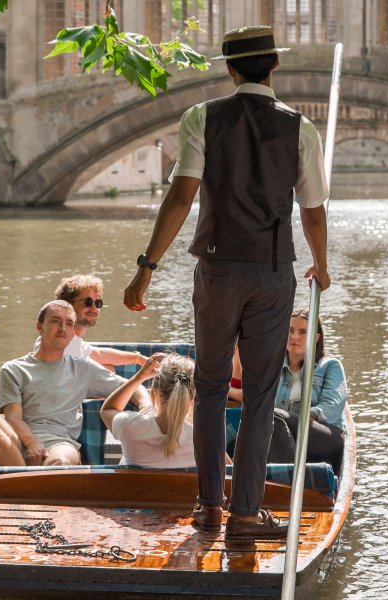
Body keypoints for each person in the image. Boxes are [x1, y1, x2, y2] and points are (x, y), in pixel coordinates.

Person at [123, 25, 330, 540]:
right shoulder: (301, 128)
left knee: (212, 390)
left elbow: (180, 198)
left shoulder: (202, 118)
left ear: (231, 70)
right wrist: (321, 267)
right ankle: (245, 514)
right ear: (273, 67)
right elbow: (314, 214)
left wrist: (146, 268)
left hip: (216, 269)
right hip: (272, 271)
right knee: (260, 395)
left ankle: (209, 508)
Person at [0, 300, 148, 467]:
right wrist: (31, 443)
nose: (63, 328)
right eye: (55, 321)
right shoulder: (13, 369)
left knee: (61, 461)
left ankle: (22, 483)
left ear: (72, 333)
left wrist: (147, 408)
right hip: (15, 440)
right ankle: (24, 480)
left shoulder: (82, 368)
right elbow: (13, 417)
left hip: (58, 444)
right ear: (40, 327)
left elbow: (133, 387)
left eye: (69, 323)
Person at [267, 309, 348, 472]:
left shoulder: (330, 366)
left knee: (273, 415)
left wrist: (305, 417)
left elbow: (332, 407)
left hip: (324, 437)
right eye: (290, 331)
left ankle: (286, 476)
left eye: (303, 332)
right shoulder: (272, 367)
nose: (294, 337)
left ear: (316, 338)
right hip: (282, 439)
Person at [100, 353, 198, 468]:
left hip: (135, 486)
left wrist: (139, 377)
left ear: (154, 391)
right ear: (192, 400)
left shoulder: (130, 425)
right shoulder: (204, 437)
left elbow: (108, 409)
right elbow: (224, 469)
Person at [35, 275, 149, 370]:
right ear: (68, 305)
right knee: (108, 370)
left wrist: (137, 358)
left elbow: (98, 353)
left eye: (98, 303)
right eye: (87, 302)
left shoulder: (73, 341)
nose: (94, 308)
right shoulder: (59, 340)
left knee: (108, 368)